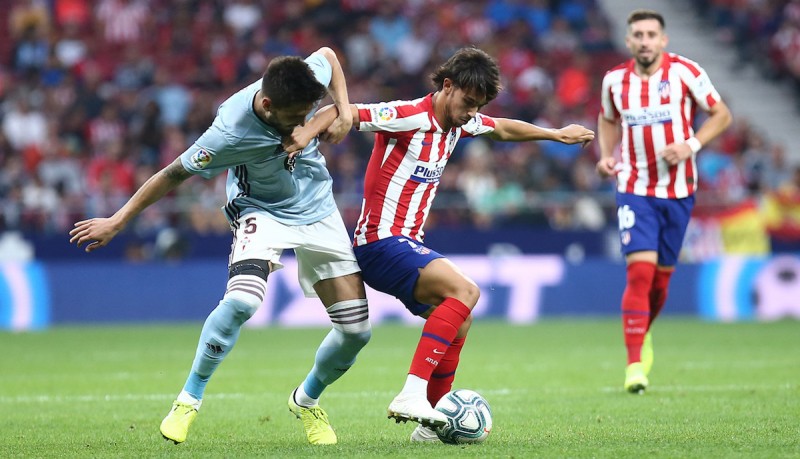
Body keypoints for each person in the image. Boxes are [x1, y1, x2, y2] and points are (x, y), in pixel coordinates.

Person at [69, 47, 371, 445]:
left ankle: (306, 399)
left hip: (318, 209)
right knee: (243, 301)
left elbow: (329, 56)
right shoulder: (229, 132)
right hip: (261, 210)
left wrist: (343, 110)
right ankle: (188, 400)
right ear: (266, 104)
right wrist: (118, 220)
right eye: (295, 118)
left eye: (306, 115)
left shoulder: (297, 82)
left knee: (356, 331)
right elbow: (172, 173)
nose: (302, 125)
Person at [303, 47, 594, 441]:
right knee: (467, 291)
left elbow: (503, 129)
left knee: (460, 319)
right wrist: (304, 134)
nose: (472, 112)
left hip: (404, 243)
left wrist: (554, 134)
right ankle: (412, 393)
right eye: (468, 102)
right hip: (379, 241)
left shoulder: (460, 124)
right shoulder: (407, 115)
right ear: (447, 86)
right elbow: (346, 111)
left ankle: (432, 425)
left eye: (478, 106)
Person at [595, 9, 732, 394]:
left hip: (679, 190)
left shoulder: (685, 72)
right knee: (640, 272)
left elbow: (721, 114)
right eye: (637, 34)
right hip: (634, 186)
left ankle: (643, 330)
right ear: (628, 41)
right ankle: (634, 363)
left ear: (663, 40)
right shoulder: (614, 82)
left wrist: (690, 145)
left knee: (659, 282)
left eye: (651, 34)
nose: (644, 40)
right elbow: (607, 120)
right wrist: (607, 156)